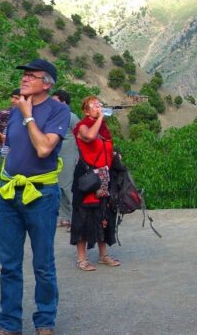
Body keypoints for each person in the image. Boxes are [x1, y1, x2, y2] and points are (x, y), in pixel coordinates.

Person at [0, 59, 71, 335]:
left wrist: (27, 115)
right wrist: (1, 205)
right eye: (23, 75)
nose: (24, 80)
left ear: (46, 83)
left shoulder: (58, 110)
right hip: (10, 194)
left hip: (41, 196)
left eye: (31, 76)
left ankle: (45, 321)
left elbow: (44, 149)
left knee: (43, 264)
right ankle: (9, 323)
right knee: (9, 264)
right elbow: (13, 154)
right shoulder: (16, 110)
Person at [70, 95, 121, 271]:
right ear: (86, 110)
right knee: (83, 216)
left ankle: (103, 255)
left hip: (103, 177)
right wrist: (100, 117)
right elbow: (90, 137)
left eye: (100, 104)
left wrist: (114, 156)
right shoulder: (82, 127)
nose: (98, 107)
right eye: (94, 105)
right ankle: (81, 259)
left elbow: (105, 147)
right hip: (88, 177)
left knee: (103, 215)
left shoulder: (103, 129)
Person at [52, 90, 80, 229]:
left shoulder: (72, 117)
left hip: (69, 157)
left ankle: (77, 219)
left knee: (69, 187)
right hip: (56, 157)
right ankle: (65, 218)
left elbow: (81, 136)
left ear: (64, 102)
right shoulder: (53, 117)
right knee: (59, 188)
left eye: (55, 101)